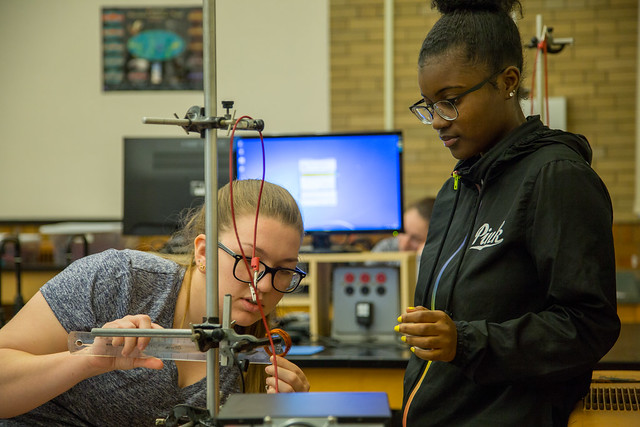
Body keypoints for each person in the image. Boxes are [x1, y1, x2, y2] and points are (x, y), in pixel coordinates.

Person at [394, 1, 620, 426]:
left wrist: (464, 341)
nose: (439, 122)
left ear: (507, 82)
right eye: (428, 106)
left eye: (450, 101)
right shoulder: (455, 190)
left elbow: (588, 325)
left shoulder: (556, 177)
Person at [0, 179, 310, 426]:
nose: (266, 285)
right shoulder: (119, 279)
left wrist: (285, 415)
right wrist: (86, 361)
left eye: (284, 270)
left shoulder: (255, 356)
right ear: (202, 253)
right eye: (251, 263)